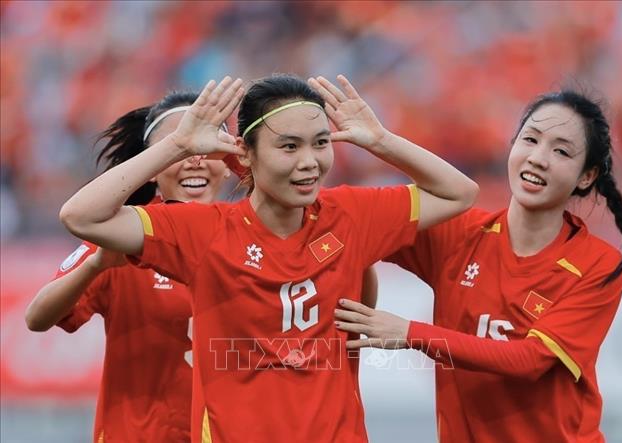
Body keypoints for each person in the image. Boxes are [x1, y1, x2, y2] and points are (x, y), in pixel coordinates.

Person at [58, 73, 478, 442]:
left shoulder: (350, 215)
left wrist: (382, 141)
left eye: (321, 143)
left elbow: (459, 193)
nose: (309, 162)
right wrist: (177, 145)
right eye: (289, 146)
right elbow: (81, 216)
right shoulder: (202, 232)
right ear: (245, 153)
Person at [334, 90, 622, 442]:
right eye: (530, 139)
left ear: (587, 176)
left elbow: (530, 360)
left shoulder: (598, 264)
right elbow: (356, 226)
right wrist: (381, 143)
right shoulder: (459, 233)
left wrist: (411, 333)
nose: (538, 158)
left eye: (561, 151)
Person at [24, 90, 232, 442]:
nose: (194, 160)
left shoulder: (252, 234)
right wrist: (96, 266)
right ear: (150, 167)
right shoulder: (125, 233)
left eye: (205, 147)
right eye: (179, 148)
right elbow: (37, 318)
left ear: (227, 162)